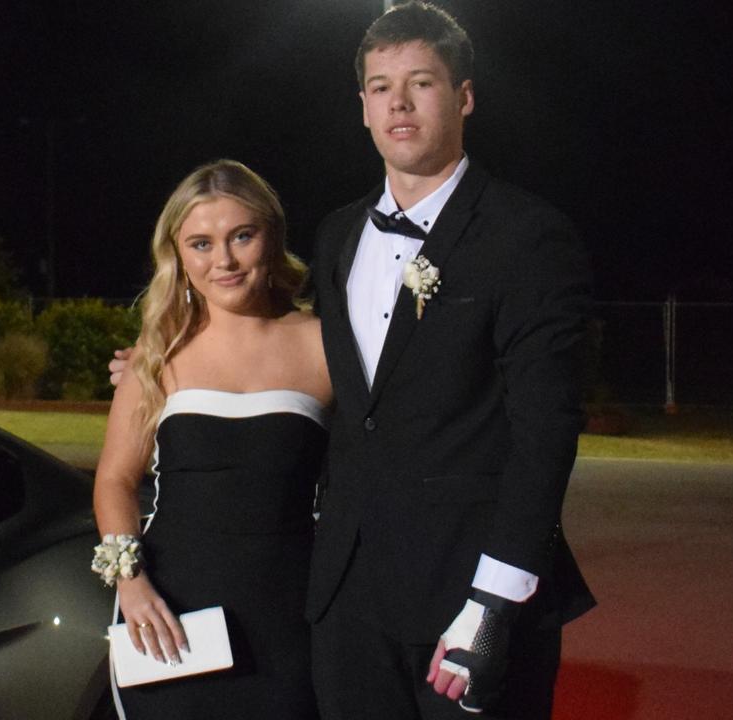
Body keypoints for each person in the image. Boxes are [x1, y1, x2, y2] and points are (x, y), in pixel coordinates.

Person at [111, 4, 594, 718]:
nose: (397, 102)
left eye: (421, 83)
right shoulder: (339, 238)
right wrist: (159, 375)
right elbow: (338, 393)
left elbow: (545, 435)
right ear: (363, 107)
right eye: (379, 86)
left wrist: (495, 602)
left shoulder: (528, 237)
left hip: (464, 602)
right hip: (344, 612)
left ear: (463, 98)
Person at [93, 159, 332, 719]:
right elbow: (114, 480)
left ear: (271, 237)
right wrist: (131, 585)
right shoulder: (157, 353)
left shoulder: (325, 346)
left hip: (291, 621)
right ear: (177, 254)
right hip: (170, 621)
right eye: (200, 243)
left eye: (241, 237)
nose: (222, 260)